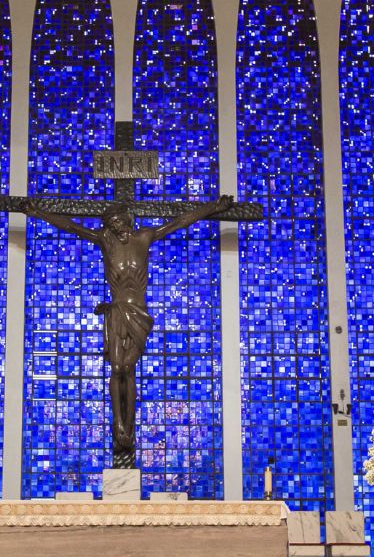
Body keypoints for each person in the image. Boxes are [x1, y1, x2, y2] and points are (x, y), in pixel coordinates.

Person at [19, 195, 234, 468]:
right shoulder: (105, 241)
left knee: (127, 369)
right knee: (118, 369)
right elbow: (72, 227)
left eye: (117, 221)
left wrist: (212, 208)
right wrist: (38, 213)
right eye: (110, 223)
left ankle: (127, 425)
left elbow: (179, 222)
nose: (115, 226)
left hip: (139, 314)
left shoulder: (145, 237)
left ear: (127, 219)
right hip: (117, 311)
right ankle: (119, 424)